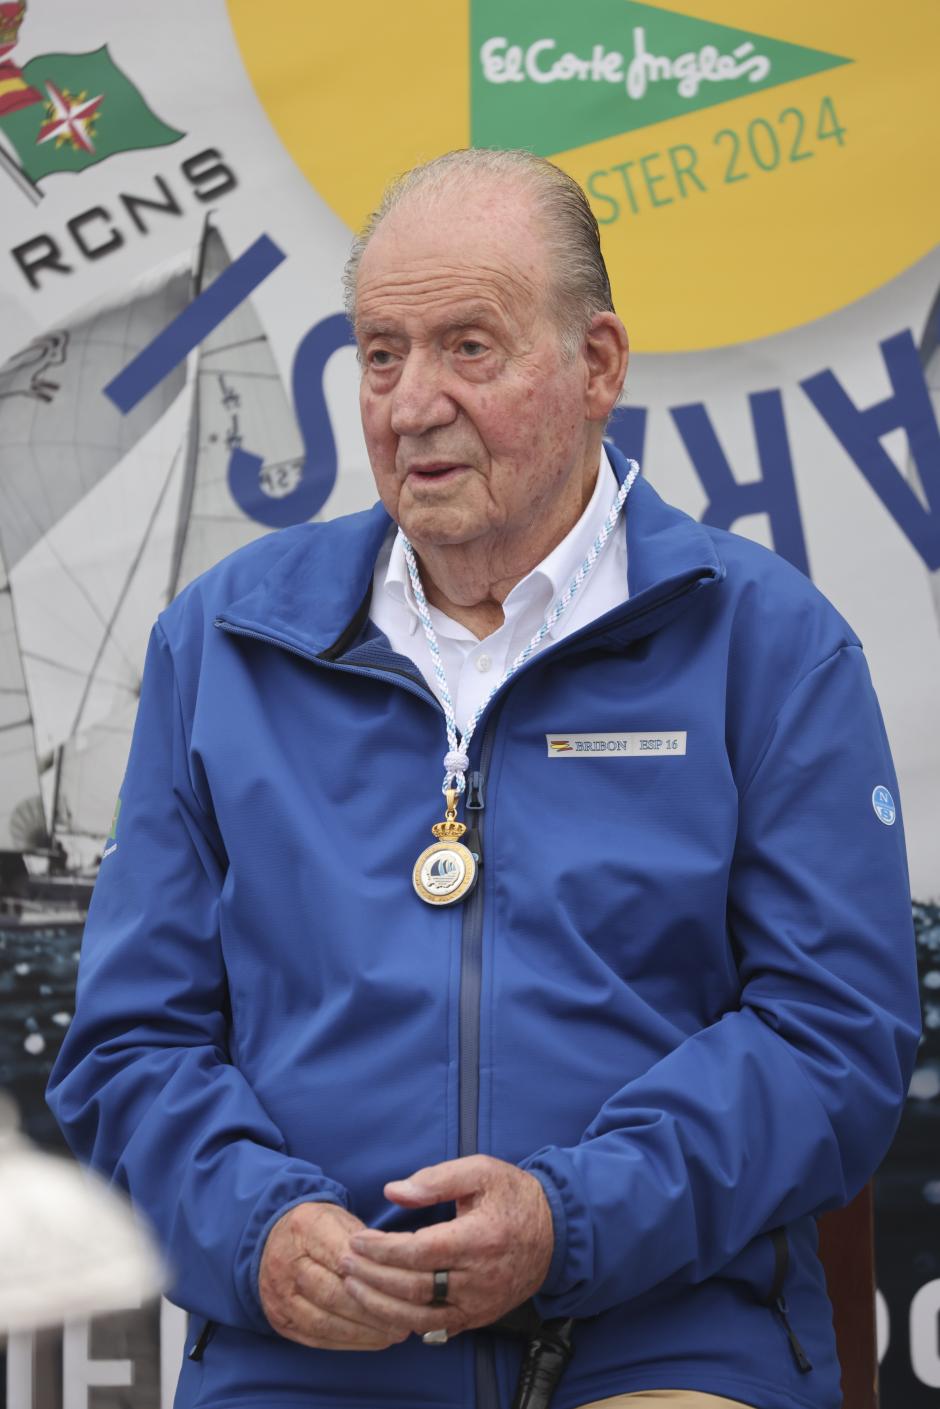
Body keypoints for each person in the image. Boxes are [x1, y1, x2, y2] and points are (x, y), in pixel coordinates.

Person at [47, 149, 920, 1409]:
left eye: (468, 347)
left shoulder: (766, 643)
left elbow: (831, 1036)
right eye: (382, 353)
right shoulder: (223, 639)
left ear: (598, 365)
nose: (410, 405)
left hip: (655, 1342)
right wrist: (263, 1234)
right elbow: (131, 1043)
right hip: (307, 1360)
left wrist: (566, 1221)